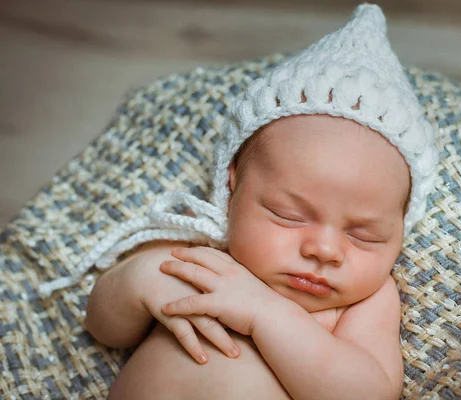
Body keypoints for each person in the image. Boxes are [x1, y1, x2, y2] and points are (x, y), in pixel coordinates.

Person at [42, 4, 438, 399]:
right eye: (289, 215)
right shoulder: (201, 255)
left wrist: (266, 314)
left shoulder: (363, 301)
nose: (324, 250)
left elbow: (368, 394)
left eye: (365, 235)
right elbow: (103, 329)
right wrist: (140, 280)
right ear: (233, 189)